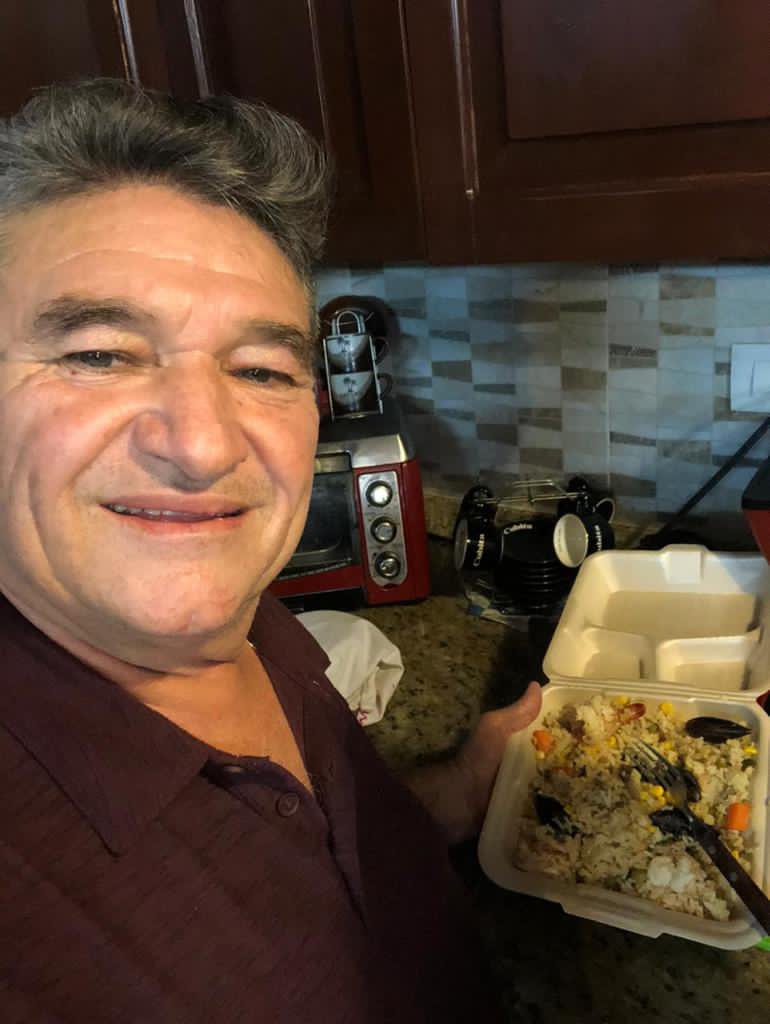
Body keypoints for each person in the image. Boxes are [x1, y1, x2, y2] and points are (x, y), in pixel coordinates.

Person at [0, 79, 541, 1023]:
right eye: (98, 354)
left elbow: (317, 856)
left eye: (260, 369)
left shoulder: (252, 621)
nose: (205, 445)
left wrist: (456, 795)